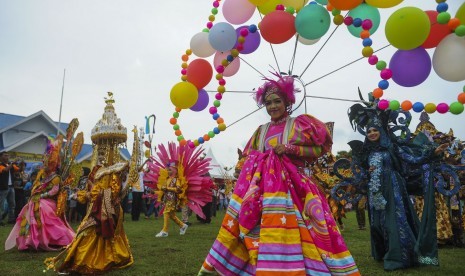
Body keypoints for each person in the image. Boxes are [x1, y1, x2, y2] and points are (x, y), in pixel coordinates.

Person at [199, 73, 359, 275]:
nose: (272, 106)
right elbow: (247, 158)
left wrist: (291, 150)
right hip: (265, 192)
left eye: (277, 101)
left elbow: (319, 150)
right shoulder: (261, 131)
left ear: (287, 102)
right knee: (259, 230)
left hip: (295, 189)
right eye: (268, 103)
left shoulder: (299, 125)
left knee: (307, 230)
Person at [345, 101, 450, 271]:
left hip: (392, 189)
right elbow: (361, 175)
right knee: (377, 224)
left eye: (375, 130)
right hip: (375, 191)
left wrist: (433, 152)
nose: (372, 133)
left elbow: (412, 159)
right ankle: (382, 252)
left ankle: (399, 257)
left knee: (392, 222)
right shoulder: (367, 153)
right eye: (369, 131)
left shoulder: (392, 148)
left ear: (381, 132)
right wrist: (368, 171)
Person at [45, 92, 134, 274]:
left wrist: (95, 195)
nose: (102, 152)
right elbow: (90, 188)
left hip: (106, 209)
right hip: (94, 207)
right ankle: (80, 259)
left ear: (111, 150)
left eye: (105, 149)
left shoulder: (116, 169)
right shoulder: (96, 170)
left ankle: (108, 258)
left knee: (95, 233)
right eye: (100, 149)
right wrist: (84, 195)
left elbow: (114, 191)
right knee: (84, 233)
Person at [5, 136, 75, 251]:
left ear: (53, 165)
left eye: (47, 163)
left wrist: (41, 196)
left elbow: (54, 191)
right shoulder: (44, 177)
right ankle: (29, 239)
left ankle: (51, 239)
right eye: (44, 163)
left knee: (41, 206)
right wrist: (36, 193)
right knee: (30, 205)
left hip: (50, 202)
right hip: (40, 200)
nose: (45, 165)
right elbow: (38, 188)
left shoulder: (56, 177)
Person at [155, 162, 189, 237]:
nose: (168, 171)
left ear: (174, 171)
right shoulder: (167, 179)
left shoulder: (176, 180)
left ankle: (165, 231)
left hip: (172, 199)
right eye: (168, 170)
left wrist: (167, 188)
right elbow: (164, 188)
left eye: (170, 170)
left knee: (166, 212)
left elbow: (178, 189)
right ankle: (182, 226)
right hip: (167, 199)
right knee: (171, 215)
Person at [0, 151, 19, 225]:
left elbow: (18, 169)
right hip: (2, 188)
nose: (7, 157)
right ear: (1, 157)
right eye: (5, 155)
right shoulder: (1, 165)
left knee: (12, 204)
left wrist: (21, 163)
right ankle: (0, 220)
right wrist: (13, 162)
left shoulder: (10, 165)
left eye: (8, 155)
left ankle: (11, 219)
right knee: (1, 205)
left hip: (11, 187)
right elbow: (5, 170)